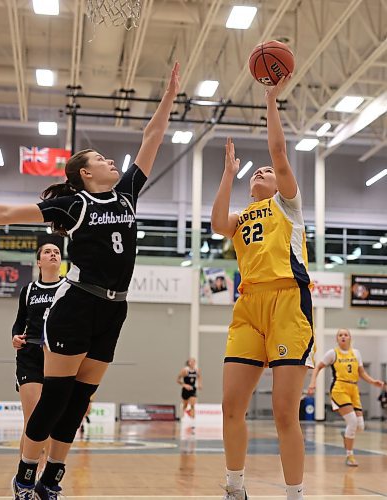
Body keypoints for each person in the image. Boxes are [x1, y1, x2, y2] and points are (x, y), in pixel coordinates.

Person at [0, 62, 180, 500]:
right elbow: (4, 214)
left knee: (77, 406)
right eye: (99, 159)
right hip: (76, 305)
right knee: (55, 399)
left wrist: (169, 97)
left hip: (115, 309)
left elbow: (151, 138)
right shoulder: (73, 205)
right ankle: (23, 474)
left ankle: (51, 480)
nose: (110, 160)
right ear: (85, 175)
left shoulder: (128, 191)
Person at [211, 75, 314, 500]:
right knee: (231, 406)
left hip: (289, 301)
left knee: (283, 412)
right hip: (249, 305)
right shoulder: (241, 216)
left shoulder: (287, 205)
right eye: (258, 172)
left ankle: (295, 494)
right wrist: (228, 174)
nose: (263, 171)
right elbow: (218, 224)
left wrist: (270, 100)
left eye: (267, 172)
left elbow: (278, 152)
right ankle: (235, 487)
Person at [12, 242, 65, 465]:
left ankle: (44, 480)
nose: (53, 254)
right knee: (32, 421)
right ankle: (24, 480)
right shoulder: (29, 290)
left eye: (57, 252)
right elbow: (19, 323)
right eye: (47, 252)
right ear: (39, 261)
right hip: (30, 355)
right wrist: (15, 337)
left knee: (53, 423)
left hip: (58, 356)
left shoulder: (69, 288)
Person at [307, 328, 384, 466]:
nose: (343, 337)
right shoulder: (332, 353)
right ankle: (350, 456)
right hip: (339, 389)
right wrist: (312, 383)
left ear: (350, 338)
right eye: (340, 335)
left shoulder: (356, 353)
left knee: (360, 426)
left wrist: (373, 381)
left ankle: (346, 433)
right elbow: (318, 366)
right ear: (337, 339)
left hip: (354, 389)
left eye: (345, 334)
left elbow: (361, 372)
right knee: (353, 421)